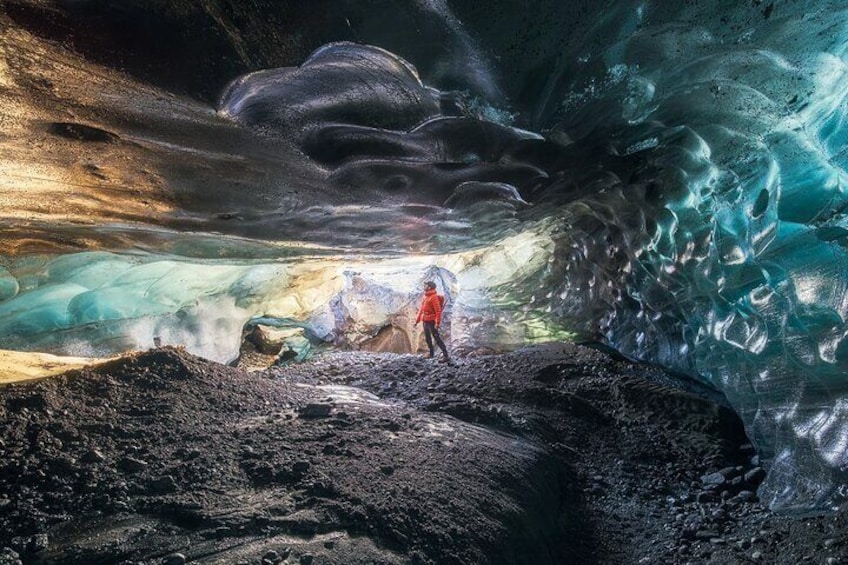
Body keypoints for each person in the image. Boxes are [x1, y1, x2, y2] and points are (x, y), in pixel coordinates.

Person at [415, 281, 451, 363]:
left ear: (430, 287)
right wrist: (417, 320)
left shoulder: (433, 297)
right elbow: (421, 309)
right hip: (425, 320)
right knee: (427, 338)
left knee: (436, 338)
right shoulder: (425, 296)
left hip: (431, 321)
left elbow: (438, 311)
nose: (424, 286)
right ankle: (431, 354)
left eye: (425, 285)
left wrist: (437, 323)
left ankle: (446, 355)